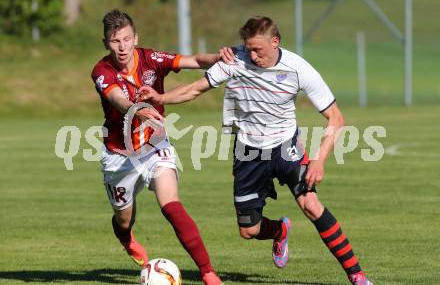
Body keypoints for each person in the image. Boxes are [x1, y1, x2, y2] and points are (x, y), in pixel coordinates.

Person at [138, 16, 373, 285]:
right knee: (249, 230)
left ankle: (357, 276)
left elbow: (336, 117)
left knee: (311, 204)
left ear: (275, 42)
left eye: (257, 49)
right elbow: (194, 90)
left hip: (286, 147)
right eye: (247, 48)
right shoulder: (234, 60)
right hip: (248, 152)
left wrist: (319, 160)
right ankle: (279, 230)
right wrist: (161, 98)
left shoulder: (299, 69)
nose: (251, 55)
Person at [90, 9, 224, 285]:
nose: (122, 46)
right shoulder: (102, 71)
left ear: (135, 38)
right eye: (115, 41)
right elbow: (118, 100)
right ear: (106, 43)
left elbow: (196, 60)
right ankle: (127, 240)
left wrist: (221, 57)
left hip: (155, 145)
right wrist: (137, 110)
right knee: (124, 221)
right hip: (119, 157)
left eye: (127, 39)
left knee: (171, 204)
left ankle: (208, 272)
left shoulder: (151, 59)